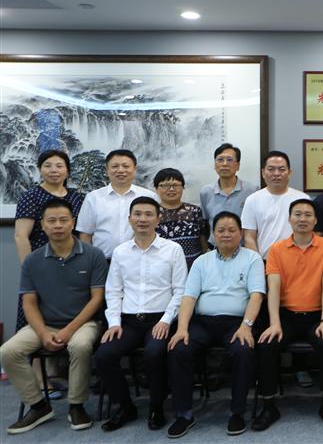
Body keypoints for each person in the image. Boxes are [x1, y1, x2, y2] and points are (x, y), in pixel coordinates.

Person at [1, 199, 106, 434]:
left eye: (63, 220)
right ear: (43, 225)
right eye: (52, 221)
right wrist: (42, 333)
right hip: (44, 324)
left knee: (79, 346)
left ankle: (77, 405)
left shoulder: (93, 255)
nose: (58, 225)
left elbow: (97, 299)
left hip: (84, 323)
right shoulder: (32, 260)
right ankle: (38, 406)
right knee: (8, 351)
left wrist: (69, 330)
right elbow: (29, 303)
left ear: (73, 223)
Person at [165, 211, 265, 438]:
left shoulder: (252, 258)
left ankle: (237, 412)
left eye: (231, 230)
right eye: (221, 230)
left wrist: (246, 326)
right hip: (203, 322)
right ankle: (184, 414)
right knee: (179, 348)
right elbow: (189, 297)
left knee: (243, 350)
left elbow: (256, 295)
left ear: (241, 233)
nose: (226, 234)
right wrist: (182, 329)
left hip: (237, 322)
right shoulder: (202, 261)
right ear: (213, 234)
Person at [95, 196, 187, 432]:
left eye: (148, 214)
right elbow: (113, 291)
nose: (142, 219)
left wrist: (166, 321)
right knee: (104, 355)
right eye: (137, 214)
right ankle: (125, 406)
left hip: (161, 318)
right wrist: (113, 323)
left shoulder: (173, 250)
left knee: (154, 352)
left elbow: (180, 291)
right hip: (128, 321)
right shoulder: (120, 252)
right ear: (130, 219)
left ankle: (157, 406)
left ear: (158, 219)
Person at [252, 199, 323, 431]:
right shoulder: (277, 249)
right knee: (267, 345)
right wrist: (274, 323)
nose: (302, 219)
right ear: (289, 219)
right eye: (297, 215)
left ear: (315, 220)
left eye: (308, 215)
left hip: (317, 315)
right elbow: (273, 288)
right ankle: (269, 405)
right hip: (286, 316)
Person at [13, 150, 87, 398]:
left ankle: (55, 373)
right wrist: (30, 270)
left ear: (67, 170)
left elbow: (82, 233)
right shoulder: (32, 196)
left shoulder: (76, 197)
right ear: (40, 169)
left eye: (59, 165)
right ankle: (40, 377)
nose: (53, 170)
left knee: (63, 315)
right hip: (41, 264)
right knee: (36, 316)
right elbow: (21, 236)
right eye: (48, 165)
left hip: (71, 264)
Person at [77, 149, 157, 258]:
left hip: (139, 260)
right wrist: (90, 260)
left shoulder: (149, 197)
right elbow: (85, 234)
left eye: (126, 166)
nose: (120, 170)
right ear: (107, 170)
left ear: (134, 170)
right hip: (102, 261)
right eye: (115, 166)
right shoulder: (93, 198)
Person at [240, 150, 310, 260]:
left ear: (289, 172)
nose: (276, 173)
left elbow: (310, 233)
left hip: (298, 261)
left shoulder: (303, 199)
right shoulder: (252, 200)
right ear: (263, 173)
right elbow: (249, 237)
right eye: (271, 169)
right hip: (265, 261)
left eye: (281, 169)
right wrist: (257, 264)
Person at [200, 143, 258, 242]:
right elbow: (204, 223)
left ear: (238, 165)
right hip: (215, 247)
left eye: (230, 160)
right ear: (215, 164)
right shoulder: (206, 191)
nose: (225, 164)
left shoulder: (252, 190)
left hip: (243, 246)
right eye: (220, 160)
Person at [154, 168, 209, 268]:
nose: (171, 189)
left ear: (183, 187)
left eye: (176, 185)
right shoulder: (152, 213)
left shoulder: (195, 211)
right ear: (156, 188)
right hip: (162, 268)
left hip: (193, 268)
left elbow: (203, 241)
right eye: (165, 185)